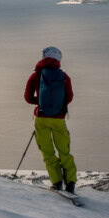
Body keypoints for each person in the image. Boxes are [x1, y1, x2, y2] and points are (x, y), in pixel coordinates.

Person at [24, 46, 77, 192]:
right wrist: (58, 105)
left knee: (48, 152)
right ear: (58, 59)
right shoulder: (64, 77)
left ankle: (57, 182)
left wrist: (41, 103)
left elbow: (28, 98)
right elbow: (70, 97)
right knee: (64, 152)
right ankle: (71, 183)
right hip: (59, 119)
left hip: (41, 119)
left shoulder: (36, 75)